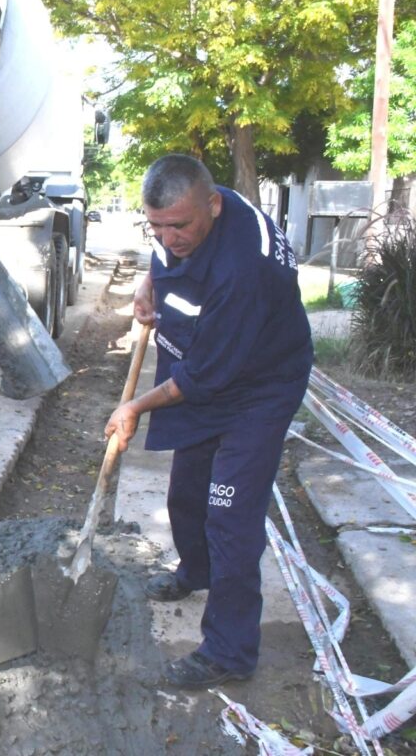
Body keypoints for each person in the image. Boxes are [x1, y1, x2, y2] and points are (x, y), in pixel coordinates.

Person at [104, 154, 313, 689]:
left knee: (231, 517)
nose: (170, 236)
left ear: (213, 205)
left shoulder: (245, 268)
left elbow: (200, 379)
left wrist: (133, 406)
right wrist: (148, 284)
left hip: (260, 386)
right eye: (158, 225)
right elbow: (161, 248)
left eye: (181, 226)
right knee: (188, 491)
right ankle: (195, 571)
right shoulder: (183, 211)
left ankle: (229, 650)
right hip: (208, 362)